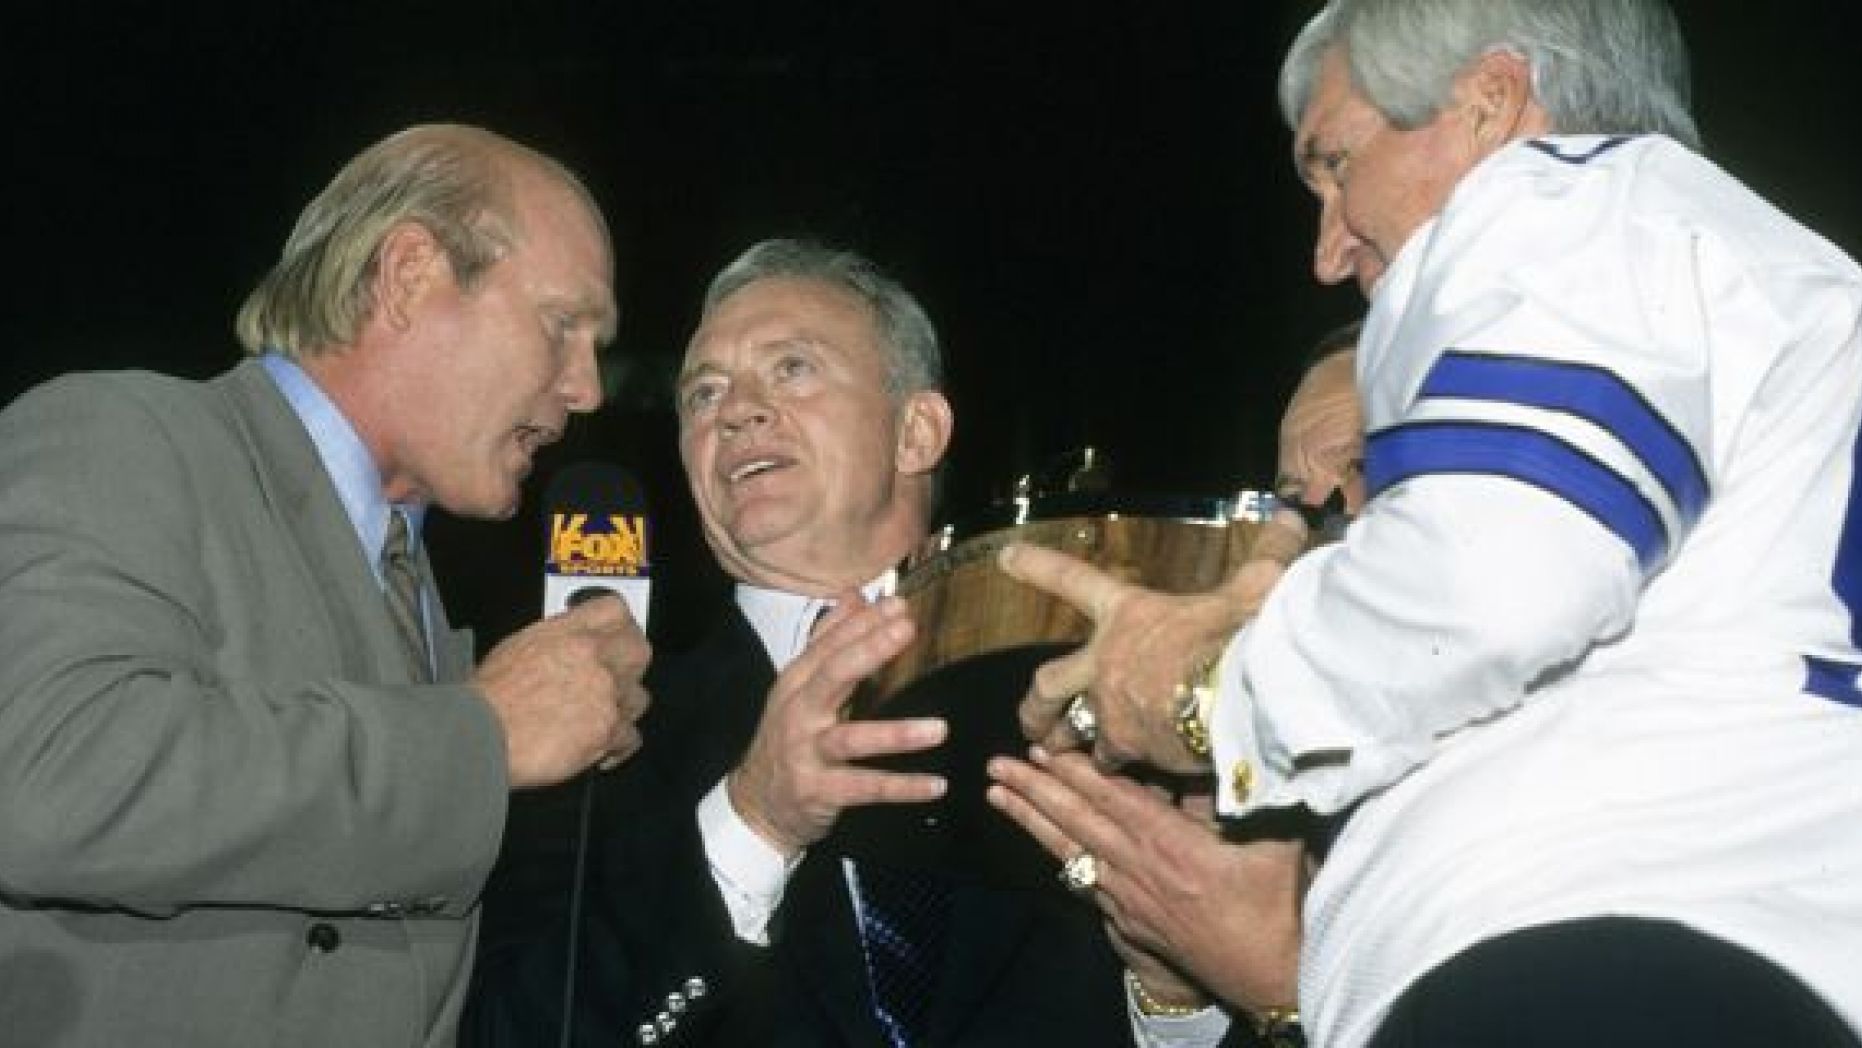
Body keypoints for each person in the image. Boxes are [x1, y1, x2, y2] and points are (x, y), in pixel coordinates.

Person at [997, 1, 1862, 1045]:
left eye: (1334, 165)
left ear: (1488, 104)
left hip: (1590, 978)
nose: (1325, 249)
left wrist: (1207, 689)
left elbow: (1499, 578)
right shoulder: (1769, 283)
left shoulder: (1562, 202)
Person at [0, 123, 652, 1047]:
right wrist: (482, 735)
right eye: (562, 325)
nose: (586, 387)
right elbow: (50, 777)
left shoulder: (416, 590)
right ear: (410, 274)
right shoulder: (124, 435)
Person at [466, 238, 1150, 1047]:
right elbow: (517, 1033)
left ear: (917, 432)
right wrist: (754, 821)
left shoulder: (1088, 692)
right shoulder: (592, 737)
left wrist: (1178, 998)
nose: (737, 411)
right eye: (703, 394)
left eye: (792, 368)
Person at [986, 322, 1367, 1048]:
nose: (1320, 517)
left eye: (1365, 460)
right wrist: (1177, 987)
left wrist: (1284, 989)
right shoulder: (1266, 778)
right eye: (1292, 496)